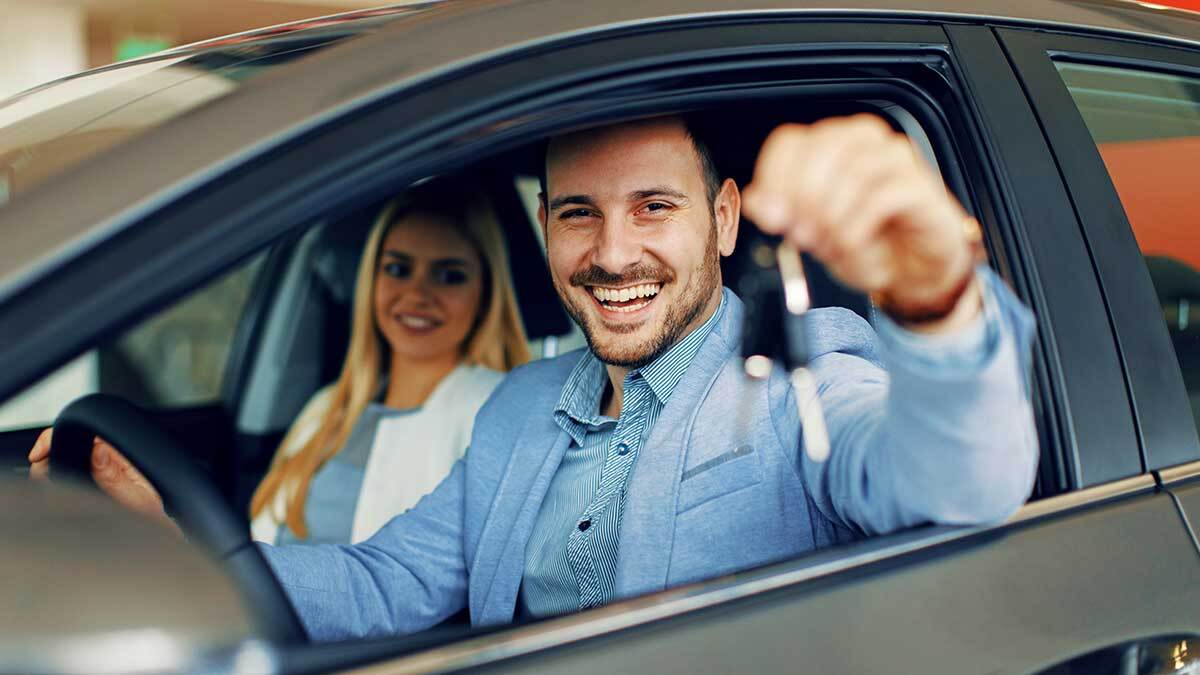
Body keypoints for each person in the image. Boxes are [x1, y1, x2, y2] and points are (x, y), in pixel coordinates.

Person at [37, 113, 1039, 641]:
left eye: (655, 208)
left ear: (725, 220)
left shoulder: (809, 370)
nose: (612, 254)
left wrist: (937, 301)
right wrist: (174, 553)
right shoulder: (521, 409)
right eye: (577, 215)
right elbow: (388, 581)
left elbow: (963, 482)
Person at [28, 180, 531, 545]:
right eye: (397, 268)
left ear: (487, 294)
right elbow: (257, 556)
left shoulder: (493, 411)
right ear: (370, 281)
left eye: (449, 275)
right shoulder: (326, 408)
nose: (416, 294)